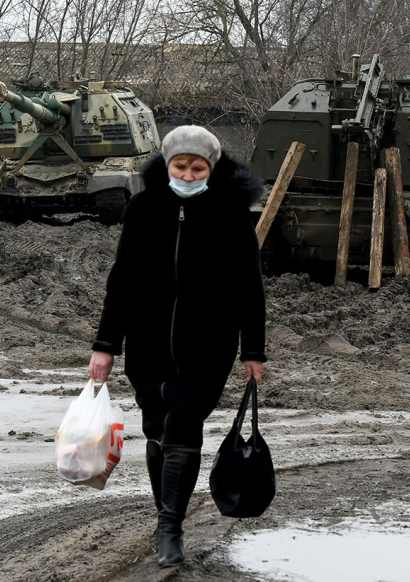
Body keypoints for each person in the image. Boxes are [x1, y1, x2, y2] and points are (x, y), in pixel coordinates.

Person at [88, 125, 267, 567]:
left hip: (209, 343)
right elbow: (122, 281)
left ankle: (171, 527)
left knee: (183, 425)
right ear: (167, 164)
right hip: (147, 342)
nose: (188, 174)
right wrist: (105, 344)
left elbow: (250, 285)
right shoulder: (144, 207)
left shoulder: (231, 211)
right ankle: (163, 513)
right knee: (156, 430)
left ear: (212, 167)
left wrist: (253, 349)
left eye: (197, 166)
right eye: (180, 165)